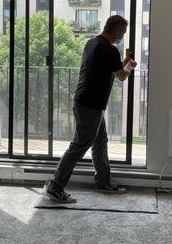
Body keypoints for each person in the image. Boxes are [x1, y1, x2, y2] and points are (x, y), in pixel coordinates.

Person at [44, 15, 137, 203]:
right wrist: (130, 66)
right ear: (117, 30)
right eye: (122, 32)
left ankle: (103, 182)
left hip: (86, 101)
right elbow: (121, 76)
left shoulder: (92, 43)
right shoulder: (109, 49)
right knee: (78, 147)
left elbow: (105, 68)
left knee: (100, 141)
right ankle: (55, 187)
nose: (122, 36)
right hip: (90, 105)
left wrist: (123, 61)